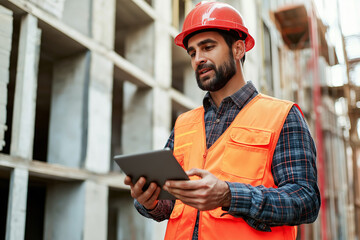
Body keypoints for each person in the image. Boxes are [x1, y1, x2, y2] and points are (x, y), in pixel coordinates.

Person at [124, 1, 320, 239]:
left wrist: (229, 195)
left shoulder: (282, 116)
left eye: (208, 47)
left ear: (238, 49)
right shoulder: (184, 124)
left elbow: (305, 201)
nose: (198, 59)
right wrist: (151, 201)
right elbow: (173, 203)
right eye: (193, 52)